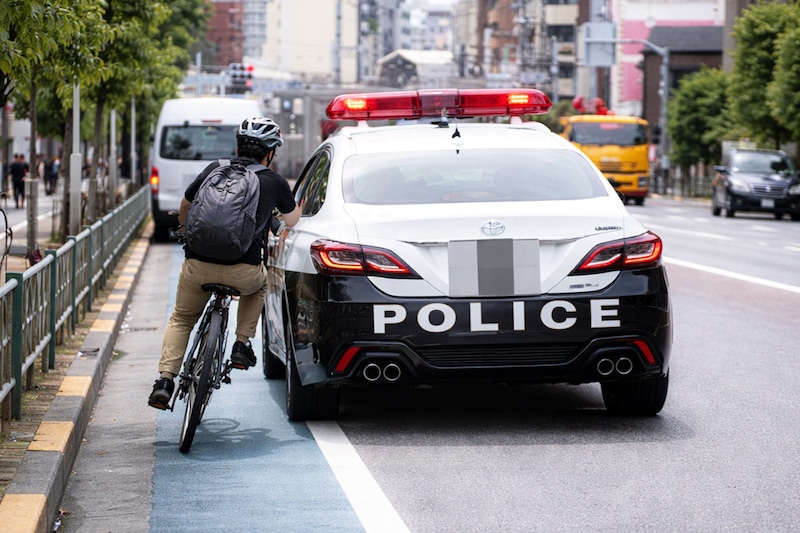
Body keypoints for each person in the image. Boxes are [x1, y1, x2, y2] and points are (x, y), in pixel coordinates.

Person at [148, 117, 301, 410]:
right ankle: (242, 345)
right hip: (244, 270)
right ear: (270, 152)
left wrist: (185, 230)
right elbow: (292, 220)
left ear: (237, 146)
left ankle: (165, 381)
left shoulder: (214, 168)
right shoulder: (274, 181)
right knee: (259, 284)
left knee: (181, 318)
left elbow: (185, 206)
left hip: (198, 265)